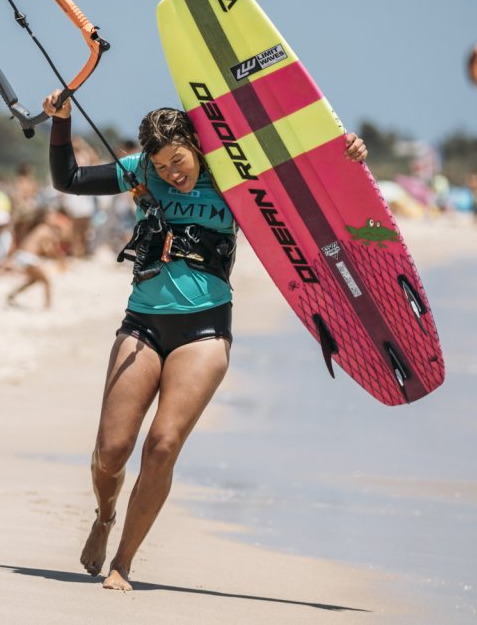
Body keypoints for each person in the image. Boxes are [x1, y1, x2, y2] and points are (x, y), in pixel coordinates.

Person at [41, 89, 367, 591]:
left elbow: (311, 190)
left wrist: (343, 154)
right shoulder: (142, 172)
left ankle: (123, 562)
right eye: (162, 166)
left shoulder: (238, 176)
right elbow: (69, 179)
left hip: (206, 327)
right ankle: (105, 516)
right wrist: (60, 121)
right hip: (143, 324)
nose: (173, 174)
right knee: (111, 453)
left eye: (178, 161)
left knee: (164, 444)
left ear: (195, 144)